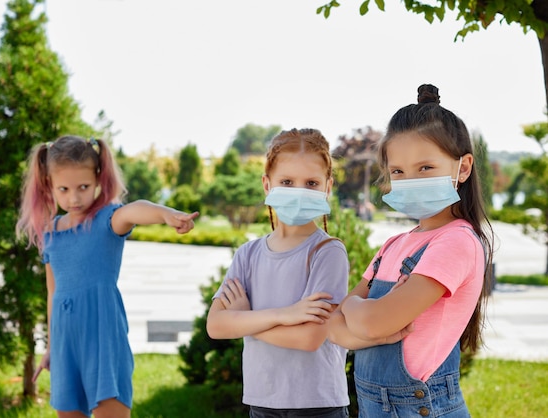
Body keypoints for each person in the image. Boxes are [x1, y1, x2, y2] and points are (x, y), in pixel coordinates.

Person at [329, 84, 494, 417]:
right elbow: (335, 329)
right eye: (398, 172)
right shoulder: (393, 245)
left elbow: (369, 321)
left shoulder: (456, 242)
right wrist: (369, 326)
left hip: (421, 408)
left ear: (462, 168)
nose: (410, 180)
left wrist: (358, 310)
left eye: (426, 168)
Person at [15, 135, 198, 418]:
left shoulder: (107, 220)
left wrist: (166, 214)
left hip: (102, 337)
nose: (73, 198)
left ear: (99, 178)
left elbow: (135, 209)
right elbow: (53, 292)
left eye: (83, 187)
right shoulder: (50, 232)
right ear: (49, 184)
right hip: (66, 342)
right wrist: (51, 346)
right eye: (63, 189)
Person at [206, 128, 351, 417]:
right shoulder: (248, 254)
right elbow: (217, 326)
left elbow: (309, 339)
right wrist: (285, 315)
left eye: (311, 183)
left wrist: (245, 320)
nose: (299, 191)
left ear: (328, 187)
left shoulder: (328, 252)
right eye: (287, 182)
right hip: (262, 401)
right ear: (267, 184)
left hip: (317, 404)